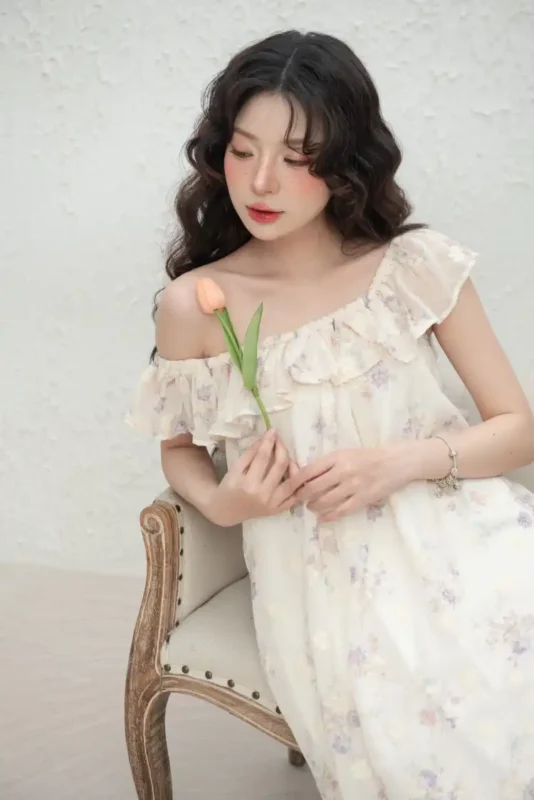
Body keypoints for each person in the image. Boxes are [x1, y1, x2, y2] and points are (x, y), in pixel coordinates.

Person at [126, 29, 534, 800]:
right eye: (242, 150)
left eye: (298, 155)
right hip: (325, 572)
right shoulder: (196, 306)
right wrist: (225, 501)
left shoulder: (414, 266)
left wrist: (400, 462)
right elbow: (177, 448)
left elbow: (518, 426)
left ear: (347, 161)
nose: (262, 181)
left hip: (461, 528)